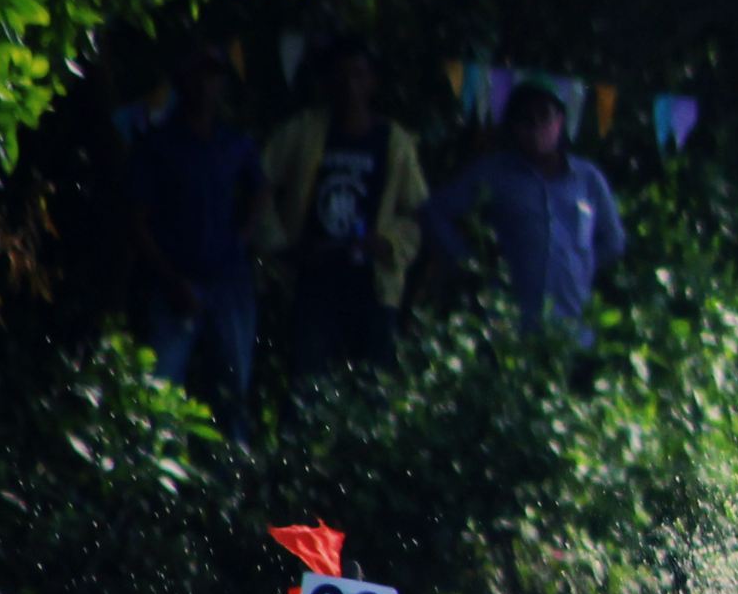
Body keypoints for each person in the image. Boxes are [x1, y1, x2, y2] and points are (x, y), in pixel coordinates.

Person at [260, 44, 429, 378]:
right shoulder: (304, 130)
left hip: (373, 282)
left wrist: (389, 243)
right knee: (307, 382)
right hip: (313, 277)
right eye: (341, 75)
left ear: (372, 83)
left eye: (359, 75)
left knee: (372, 386)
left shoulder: (393, 140)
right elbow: (259, 182)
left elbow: (418, 212)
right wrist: (278, 244)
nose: (350, 84)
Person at [419, 84, 626, 341]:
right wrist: (468, 265)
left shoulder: (587, 177)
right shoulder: (494, 173)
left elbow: (614, 241)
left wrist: (577, 266)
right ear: (515, 128)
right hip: (511, 324)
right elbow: (434, 213)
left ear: (559, 122)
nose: (536, 125)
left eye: (544, 116)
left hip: (572, 326)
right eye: (526, 119)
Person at [126, 55, 267, 411]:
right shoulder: (158, 145)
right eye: (198, 75)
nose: (206, 86)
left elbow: (260, 190)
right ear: (182, 81)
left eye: (214, 77)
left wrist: (242, 238)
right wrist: (170, 280)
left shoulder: (234, 142)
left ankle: (234, 467)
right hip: (174, 284)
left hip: (228, 282)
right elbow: (137, 220)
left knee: (233, 393)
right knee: (160, 395)